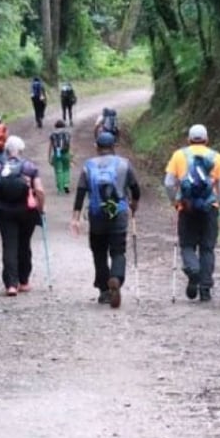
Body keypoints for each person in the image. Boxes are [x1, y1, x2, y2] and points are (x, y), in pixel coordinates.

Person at [71, 132, 141, 309]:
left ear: (97, 146)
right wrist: (134, 204)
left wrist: (76, 217)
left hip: (97, 217)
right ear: (114, 146)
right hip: (118, 215)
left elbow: (80, 192)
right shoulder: (124, 164)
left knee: (99, 253)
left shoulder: (88, 166)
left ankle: (104, 291)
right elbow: (135, 188)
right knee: (118, 252)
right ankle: (115, 278)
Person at [163, 124, 220, 302]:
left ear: (188, 139)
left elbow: (169, 183)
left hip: (187, 207)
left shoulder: (179, 155)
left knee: (187, 245)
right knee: (207, 248)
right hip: (210, 209)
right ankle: (205, 288)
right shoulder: (217, 157)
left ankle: (194, 272)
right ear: (207, 139)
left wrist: (175, 202)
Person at [0, 136, 46, 296]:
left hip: (4, 212)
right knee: (24, 244)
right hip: (27, 211)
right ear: (21, 150)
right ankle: (24, 281)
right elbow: (39, 191)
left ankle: (11, 285)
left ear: (6, 151)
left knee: (9, 245)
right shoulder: (29, 167)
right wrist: (40, 208)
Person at [48, 119, 72, 194]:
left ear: (55, 126)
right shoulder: (68, 133)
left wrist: (49, 157)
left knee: (58, 171)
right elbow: (69, 144)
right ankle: (66, 184)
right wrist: (71, 155)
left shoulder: (52, 134)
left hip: (57, 153)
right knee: (66, 169)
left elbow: (50, 146)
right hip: (66, 153)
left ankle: (60, 189)